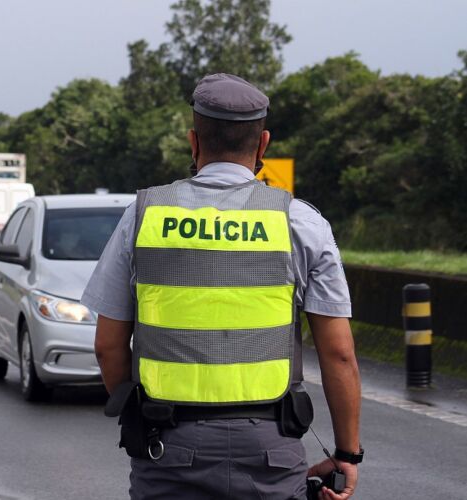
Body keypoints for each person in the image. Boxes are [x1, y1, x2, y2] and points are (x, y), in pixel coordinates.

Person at [82, 73, 362, 500]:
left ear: (193, 142)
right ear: (262, 144)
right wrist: (346, 453)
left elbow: (108, 346)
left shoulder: (142, 216)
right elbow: (339, 353)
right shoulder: (300, 222)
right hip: (270, 452)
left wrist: (139, 418)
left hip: (168, 448)